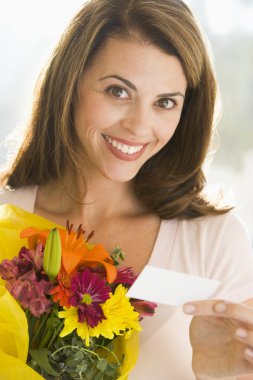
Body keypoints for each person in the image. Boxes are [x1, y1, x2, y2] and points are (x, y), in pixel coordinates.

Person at [0, 0, 253, 379]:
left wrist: (225, 375)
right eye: (118, 91)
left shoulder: (215, 243)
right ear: (70, 84)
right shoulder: (4, 212)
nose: (139, 126)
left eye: (165, 102)